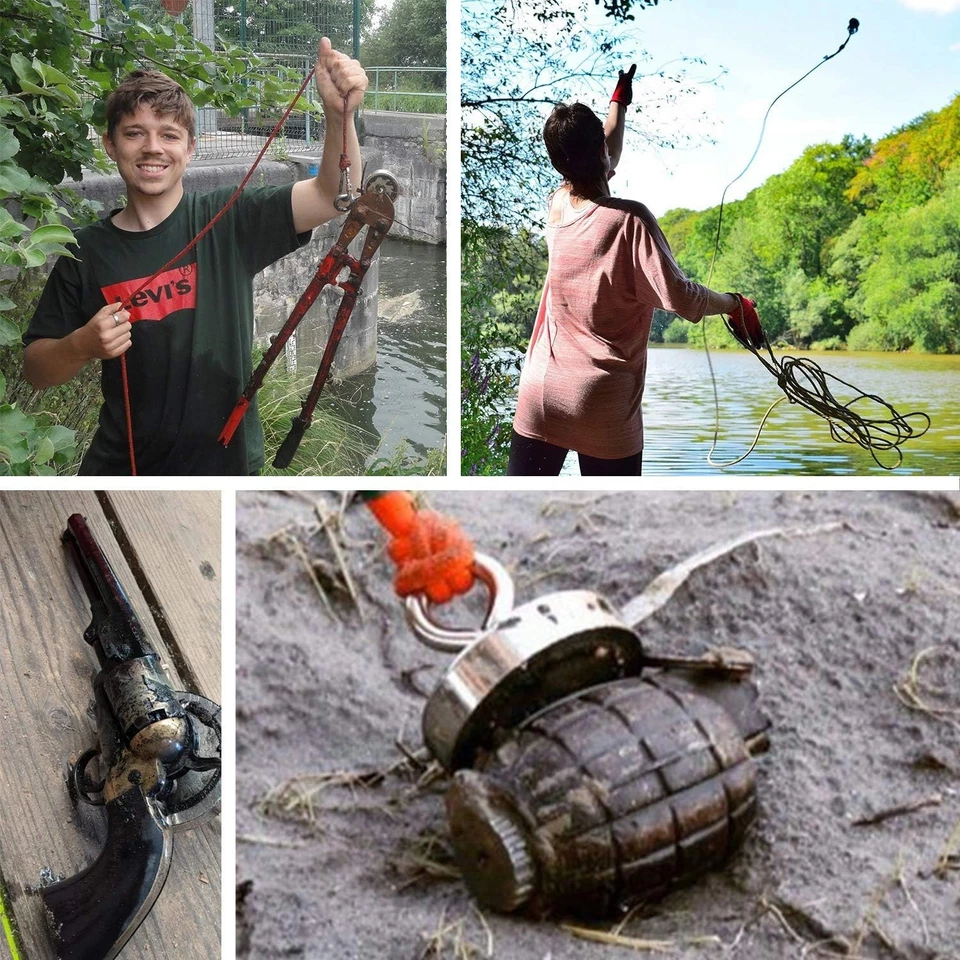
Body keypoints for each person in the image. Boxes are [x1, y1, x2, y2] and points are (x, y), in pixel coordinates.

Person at [23, 39, 367, 475]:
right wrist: (81, 345)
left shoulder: (230, 218)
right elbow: (37, 370)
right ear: (110, 144)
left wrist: (339, 116)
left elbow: (332, 197)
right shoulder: (84, 252)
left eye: (169, 135)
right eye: (134, 133)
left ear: (190, 148)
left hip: (227, 467)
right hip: (125, 470)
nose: (153, 147)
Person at [508, 66, 759, 477]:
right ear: (601, 155)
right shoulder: (631, 220)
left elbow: (600, 154)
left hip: (541, 394)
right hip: (602, 404)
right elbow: (682, 297)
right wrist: (734, 304)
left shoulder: (558, 206)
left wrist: (618, 103)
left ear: (559, 164)